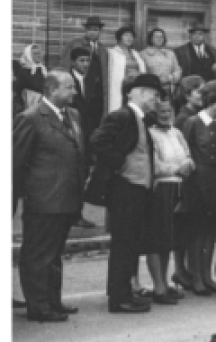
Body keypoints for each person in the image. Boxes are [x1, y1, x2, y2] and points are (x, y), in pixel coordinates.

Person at [87, 72, 164, 314]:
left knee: (130, 243)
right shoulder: (122, 116)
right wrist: (120, 162)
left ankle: (124, 292)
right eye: (153, 95)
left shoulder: (140, 118)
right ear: (138, 93)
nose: (156, 100)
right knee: (124, 244)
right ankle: (119, 298)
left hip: (137, 189)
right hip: (125, 189)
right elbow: (98, 141)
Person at [13, 71, 86, 322]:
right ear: (52, 90)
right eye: (69, 87)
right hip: (43, 199)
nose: (74, 92)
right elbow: (17, 161)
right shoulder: (31, 118)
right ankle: (38, 306)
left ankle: (53, 300)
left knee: (54, 253)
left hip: (67, 198)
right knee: (37, 254)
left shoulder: (72, 115)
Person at [183, 81, 216, 294]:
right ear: (213, 100)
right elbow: (184, 150)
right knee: (198, 232)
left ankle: (208, 275)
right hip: (199, 182)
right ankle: (196, 276)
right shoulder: (193, 122)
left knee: (212, 231)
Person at [147, 95, 193, 304]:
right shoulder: (151, 135)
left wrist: (188, 165)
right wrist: (177, 168)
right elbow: (154, 165)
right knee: (158, 238)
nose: (166, 115)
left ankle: (166, 283)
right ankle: (158, 286)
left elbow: (188, 155)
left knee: (171, 238)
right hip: (161, 189)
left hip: (179, 187)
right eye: (161, 112)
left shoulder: (176, 133)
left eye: (169, 111)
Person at [105, 26, 146, 112]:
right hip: (120, 88)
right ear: (119, 38)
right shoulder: (111, 53)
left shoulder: (135, 53)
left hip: (135, 87)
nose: (129, 38)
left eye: (131, 36)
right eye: (126, 35)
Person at [142, 27, 182, 95]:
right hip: (151, 89)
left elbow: (177, 70)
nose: (159, 39)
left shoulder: (170, 53)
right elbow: (142, 73)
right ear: (151, 39)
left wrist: (172, 77)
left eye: (161, 37)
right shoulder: (143, 54)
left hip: (169, 90)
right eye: (156, 37)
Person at [13, 42, 47, 115]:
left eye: (40, 53)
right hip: (28, 108)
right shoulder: (24, 71)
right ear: (28, 56)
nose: (39, 56)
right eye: (35, 54)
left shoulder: (43, 69)